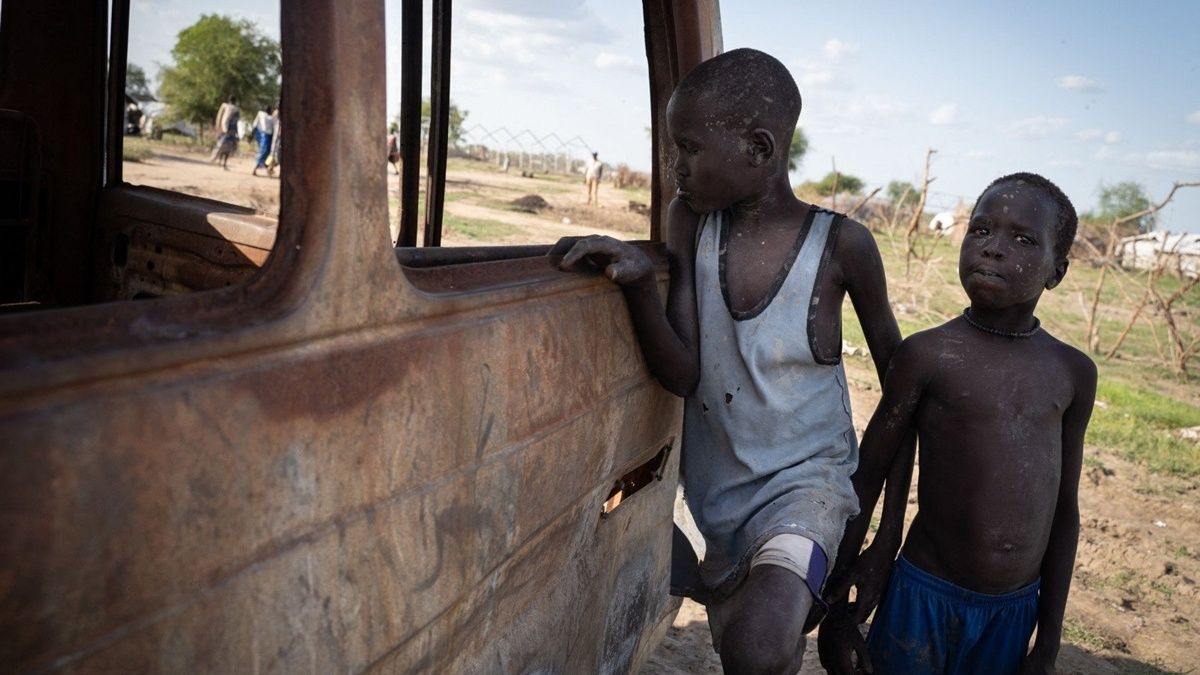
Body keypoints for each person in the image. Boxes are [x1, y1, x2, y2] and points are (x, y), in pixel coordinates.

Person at [552, 48, 904, 674]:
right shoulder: (690, 222)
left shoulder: (841, 246)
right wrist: (637, 285)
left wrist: (878, 534)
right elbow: (685, 373)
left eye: (687, 148)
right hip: (717, 501)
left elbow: (903, 398)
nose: (674, 165)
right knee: (754, 643)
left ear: (760, 150)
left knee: (757, 647)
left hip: (808, 489)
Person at [820, 173, 1096, 675]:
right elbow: (870, 473)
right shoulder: (927, 354)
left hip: (1013, 609)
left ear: (1057, 270)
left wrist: (1049, 643)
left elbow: (1064, 512)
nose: (992, 248)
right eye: (981, 229)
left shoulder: (1072, 372)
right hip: (922, 592)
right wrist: (840, 598)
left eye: (1023, 239)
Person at [209, 94, 240, 170]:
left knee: (221, 146)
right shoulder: (236, 109)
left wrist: (219, 127)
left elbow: (221, 117)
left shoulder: (226, 106)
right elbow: (236, 121)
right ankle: (223, 164)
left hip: (225, 130)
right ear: (235, 101)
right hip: (231, 131)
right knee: (227, 149)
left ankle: (219, 161)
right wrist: (236, 132)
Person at [252, 104, 276, 176]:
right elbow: (255, 124)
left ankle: (268, 169)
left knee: (269, 154)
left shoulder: (270, 118)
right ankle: (255, 169)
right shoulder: (264, 116)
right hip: (266, 136)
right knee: (264, 152)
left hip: (269, 137)